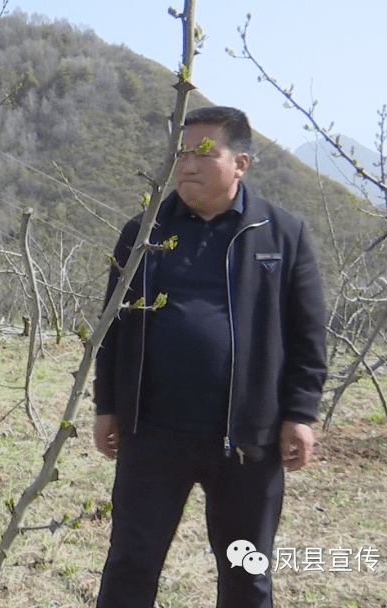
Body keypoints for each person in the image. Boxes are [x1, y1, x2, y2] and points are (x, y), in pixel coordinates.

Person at [92, 106, 326, 608]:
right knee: (131, 562)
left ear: (240, 162)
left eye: (204, 153)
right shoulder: (143, 234)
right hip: (153, 433)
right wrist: (106, 404)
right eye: (181, 153)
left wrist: (300, 414)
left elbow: (308, 335)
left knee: (246, 570)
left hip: (248, 440)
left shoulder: (281, 235)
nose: (187, 166)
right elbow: (112, 326)